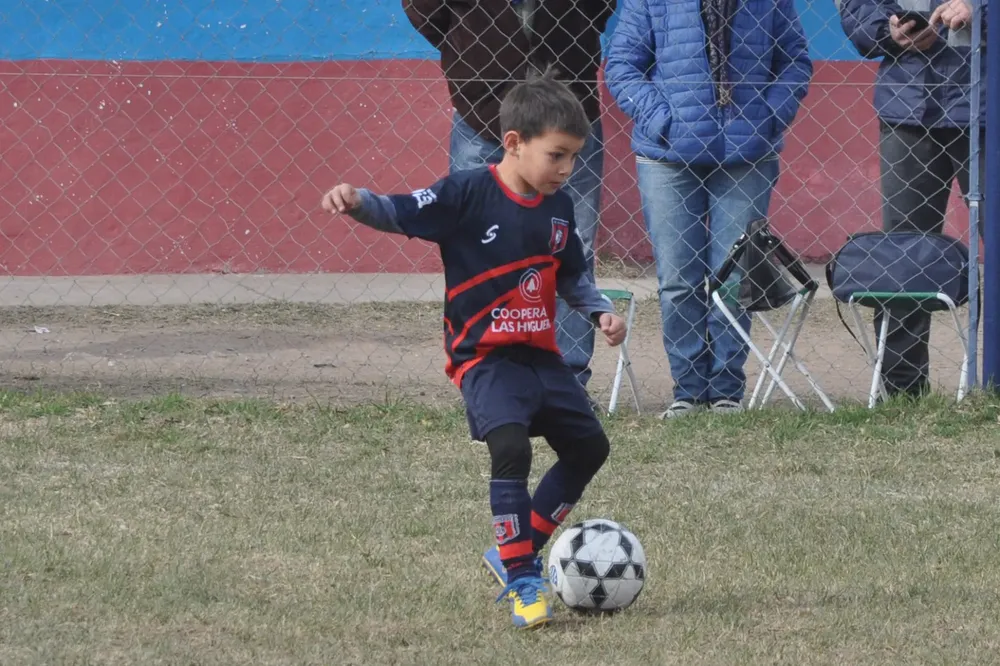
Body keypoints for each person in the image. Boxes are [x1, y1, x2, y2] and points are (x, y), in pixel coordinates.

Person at [321, 71, 628, 630]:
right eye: (557, 155)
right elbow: (398, 210)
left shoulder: (559, 211)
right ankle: (522, 581)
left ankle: (514, 550)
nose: (567, 169)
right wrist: (357, 200)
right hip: (483, 357)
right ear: (513, 143)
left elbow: (573, 274)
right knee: (510, 446)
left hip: (540, 356)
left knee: (590, 448)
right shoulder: (466, 192)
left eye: (574, 157)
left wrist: (599, 310)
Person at [604, 0, 812, 418]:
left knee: (734, 276)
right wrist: (662, 120)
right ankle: (688, 390)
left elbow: (795, 61)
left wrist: (768, 117)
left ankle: (726, 390)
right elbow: (622, 66)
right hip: (666, 156)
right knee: (678, 277)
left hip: (747, 154)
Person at [402, 0, 617, 397]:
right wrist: (467, 48)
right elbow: (425, 10)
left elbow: (600, 7)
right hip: (483, 109)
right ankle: (488, 377)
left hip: (568, 103)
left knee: (573, 247)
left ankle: (567, 382)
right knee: (476, 249)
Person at [838, 0, 985, 399]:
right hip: (907, 109)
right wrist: (888, 31)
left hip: (988, 101)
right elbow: (858, 7)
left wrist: (979, 7)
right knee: (905, 254)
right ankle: (902, 391)